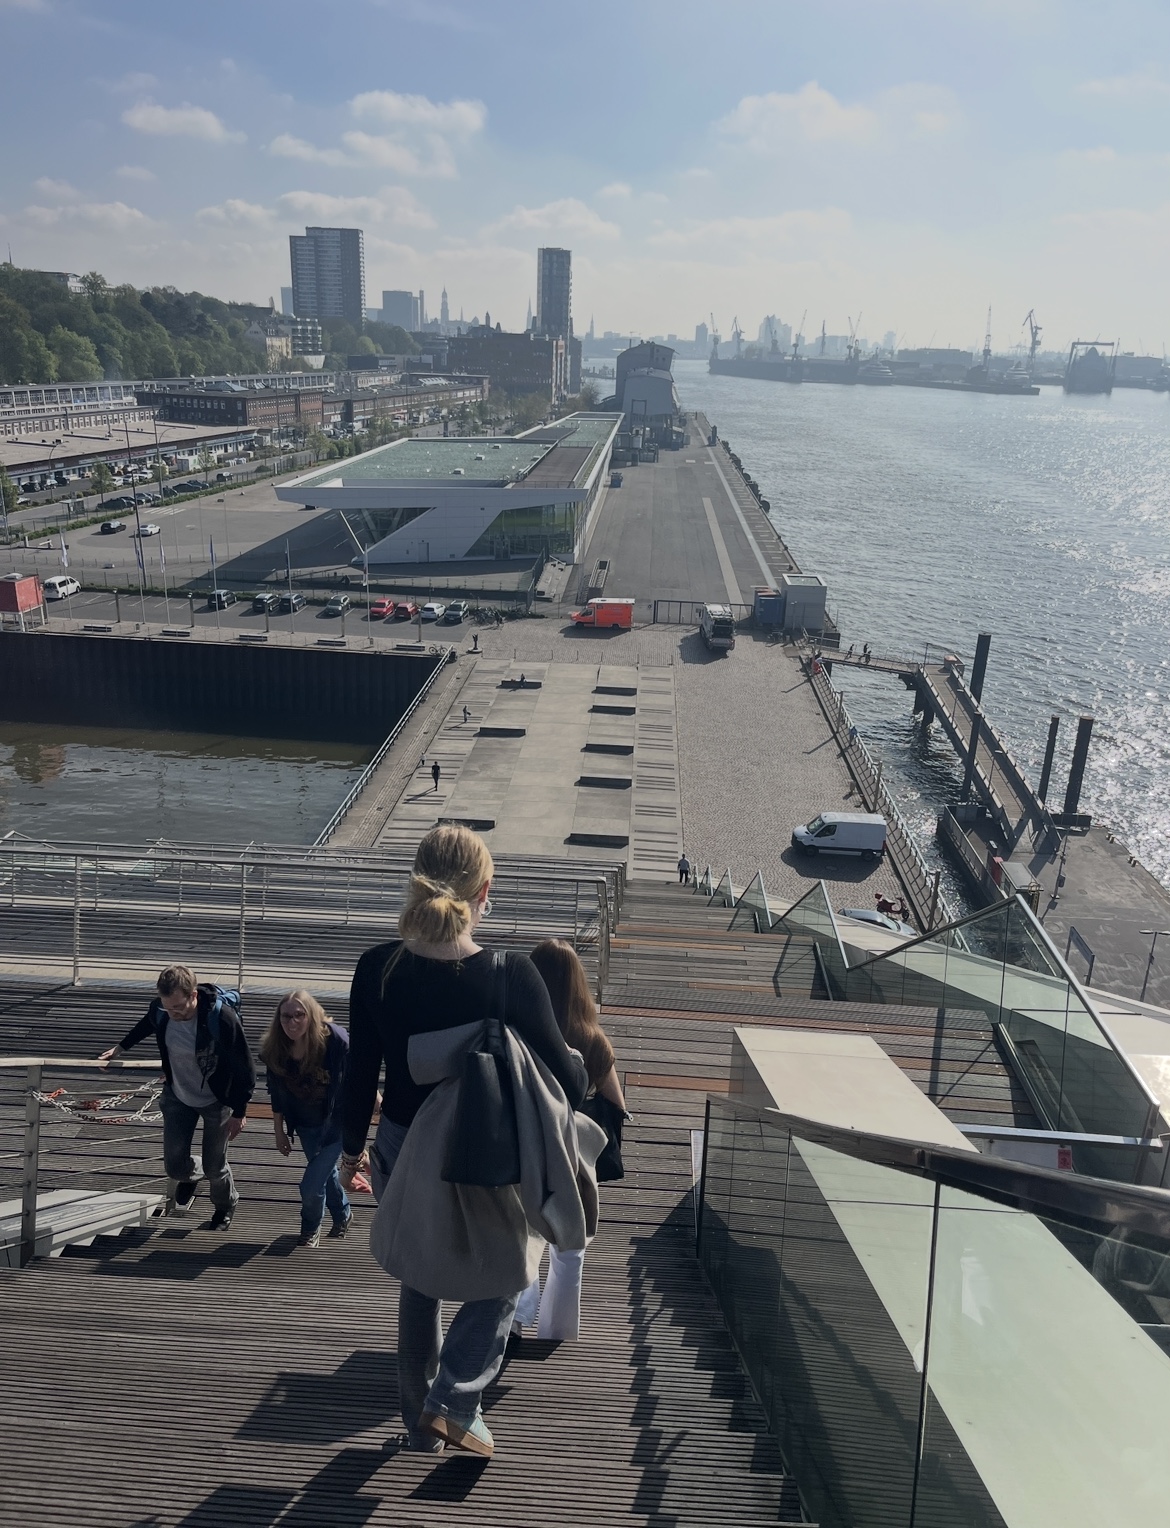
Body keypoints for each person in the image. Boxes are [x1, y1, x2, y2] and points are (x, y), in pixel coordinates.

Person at [340, 825, 588, 1458]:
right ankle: (454, 1400)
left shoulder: (376, 968)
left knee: (419, 1276)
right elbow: (568, 1082)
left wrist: (349, 1151)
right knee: (510, 1268)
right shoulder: (510, 975)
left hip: (400, 1143)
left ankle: (416, 1424)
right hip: (486, 1148)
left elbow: (360, 1073)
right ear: (485, 891)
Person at [515, 939, 626, 1341]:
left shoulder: (517, 1029)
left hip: (523, 1146)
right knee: (569, 1247)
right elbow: (617, 1106)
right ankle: (556, 1330)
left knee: (521, 1235)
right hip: (573, 1155)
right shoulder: (593, 1040)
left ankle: (514, 1320)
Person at [99, 965, 255, 1230]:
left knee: (216, 1167)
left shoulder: (222, 1017)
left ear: (194, 995)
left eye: (179, 1007)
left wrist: (240, 1112)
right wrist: (120, 1048)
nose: (174, 1014)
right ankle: (192, 1176)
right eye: (168, 1008)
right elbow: (147, 1023)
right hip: (178, 1095)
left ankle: (225, 1206)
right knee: (175, 1167)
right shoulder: (161, 1010)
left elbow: (246, 1068)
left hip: (217, 1099)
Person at [260, 990, 351, 1248]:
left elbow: (357, 1071)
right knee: (325, 1174)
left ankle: (310, 1228)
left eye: (299, 1015)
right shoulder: (276, 1049)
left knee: (310, 1185)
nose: (292, 1022)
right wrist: (278, 1130)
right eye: (286, 1016)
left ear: (311, 1016)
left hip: (337, 1126)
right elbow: (277, 1094)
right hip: (305, 1126)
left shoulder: (333, 1042)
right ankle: (343, 1215)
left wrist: (374, 1098)